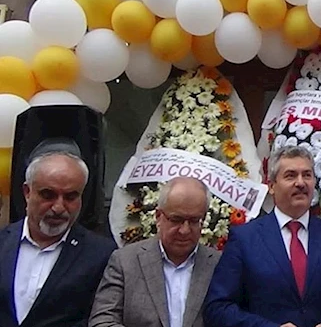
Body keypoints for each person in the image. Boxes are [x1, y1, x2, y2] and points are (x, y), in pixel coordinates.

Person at [203, 146, 321, 327]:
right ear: (271, 186)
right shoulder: (245, 239)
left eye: (307, 175)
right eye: (290, 176)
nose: (300, 183)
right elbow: (218, 308)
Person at [0, 140, 117, 327]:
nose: (58, 207)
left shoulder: (102, 255)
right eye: (48, 195)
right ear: (27, 192)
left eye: (70, 197)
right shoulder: (3, 242)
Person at [90, 177, 221, 327]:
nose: (184, 230)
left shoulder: (219, 265)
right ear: (158, 217)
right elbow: (102, 320)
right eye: (176, 220)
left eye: (193, 221)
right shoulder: (125, 261)